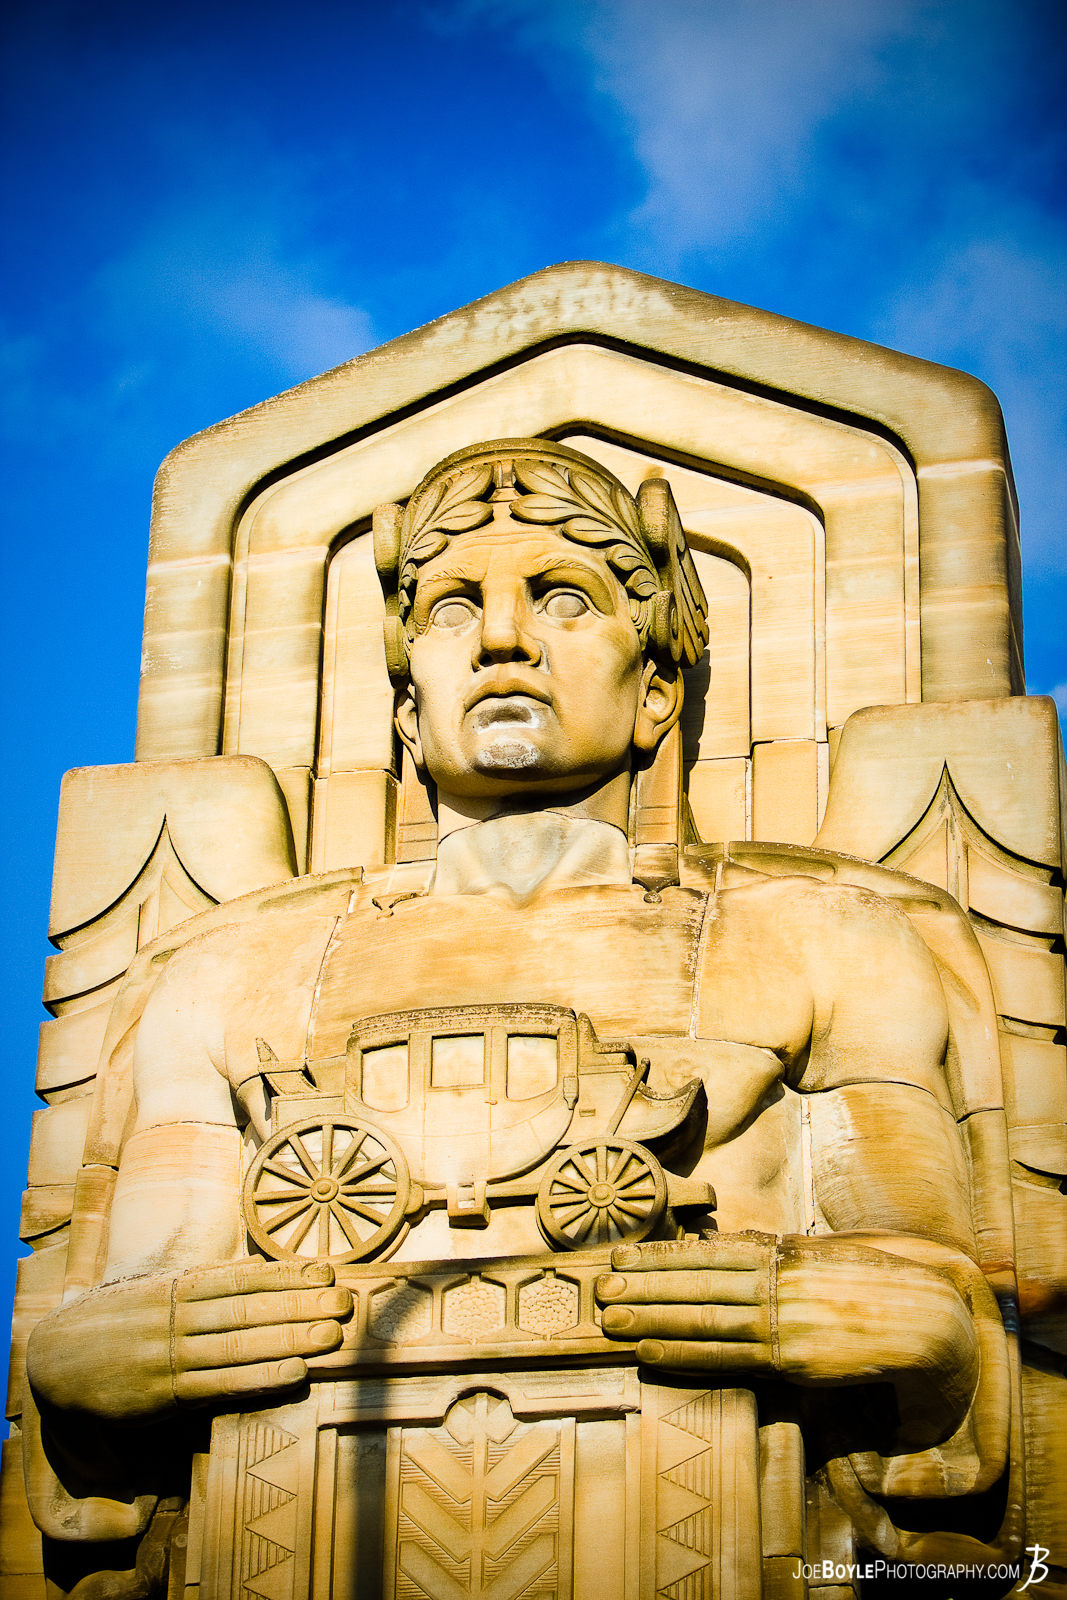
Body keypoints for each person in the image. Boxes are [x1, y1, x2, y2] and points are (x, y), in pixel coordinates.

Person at [27, 440, 1009, 1584]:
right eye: (450, 607)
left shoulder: (822, 934)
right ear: (408, 709)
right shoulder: (233, 968)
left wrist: (783, 1300)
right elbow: (97, 1334)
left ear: (654, 694)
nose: (501, 638)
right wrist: (138, 1347)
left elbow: (941, 1314)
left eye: (562, 598)